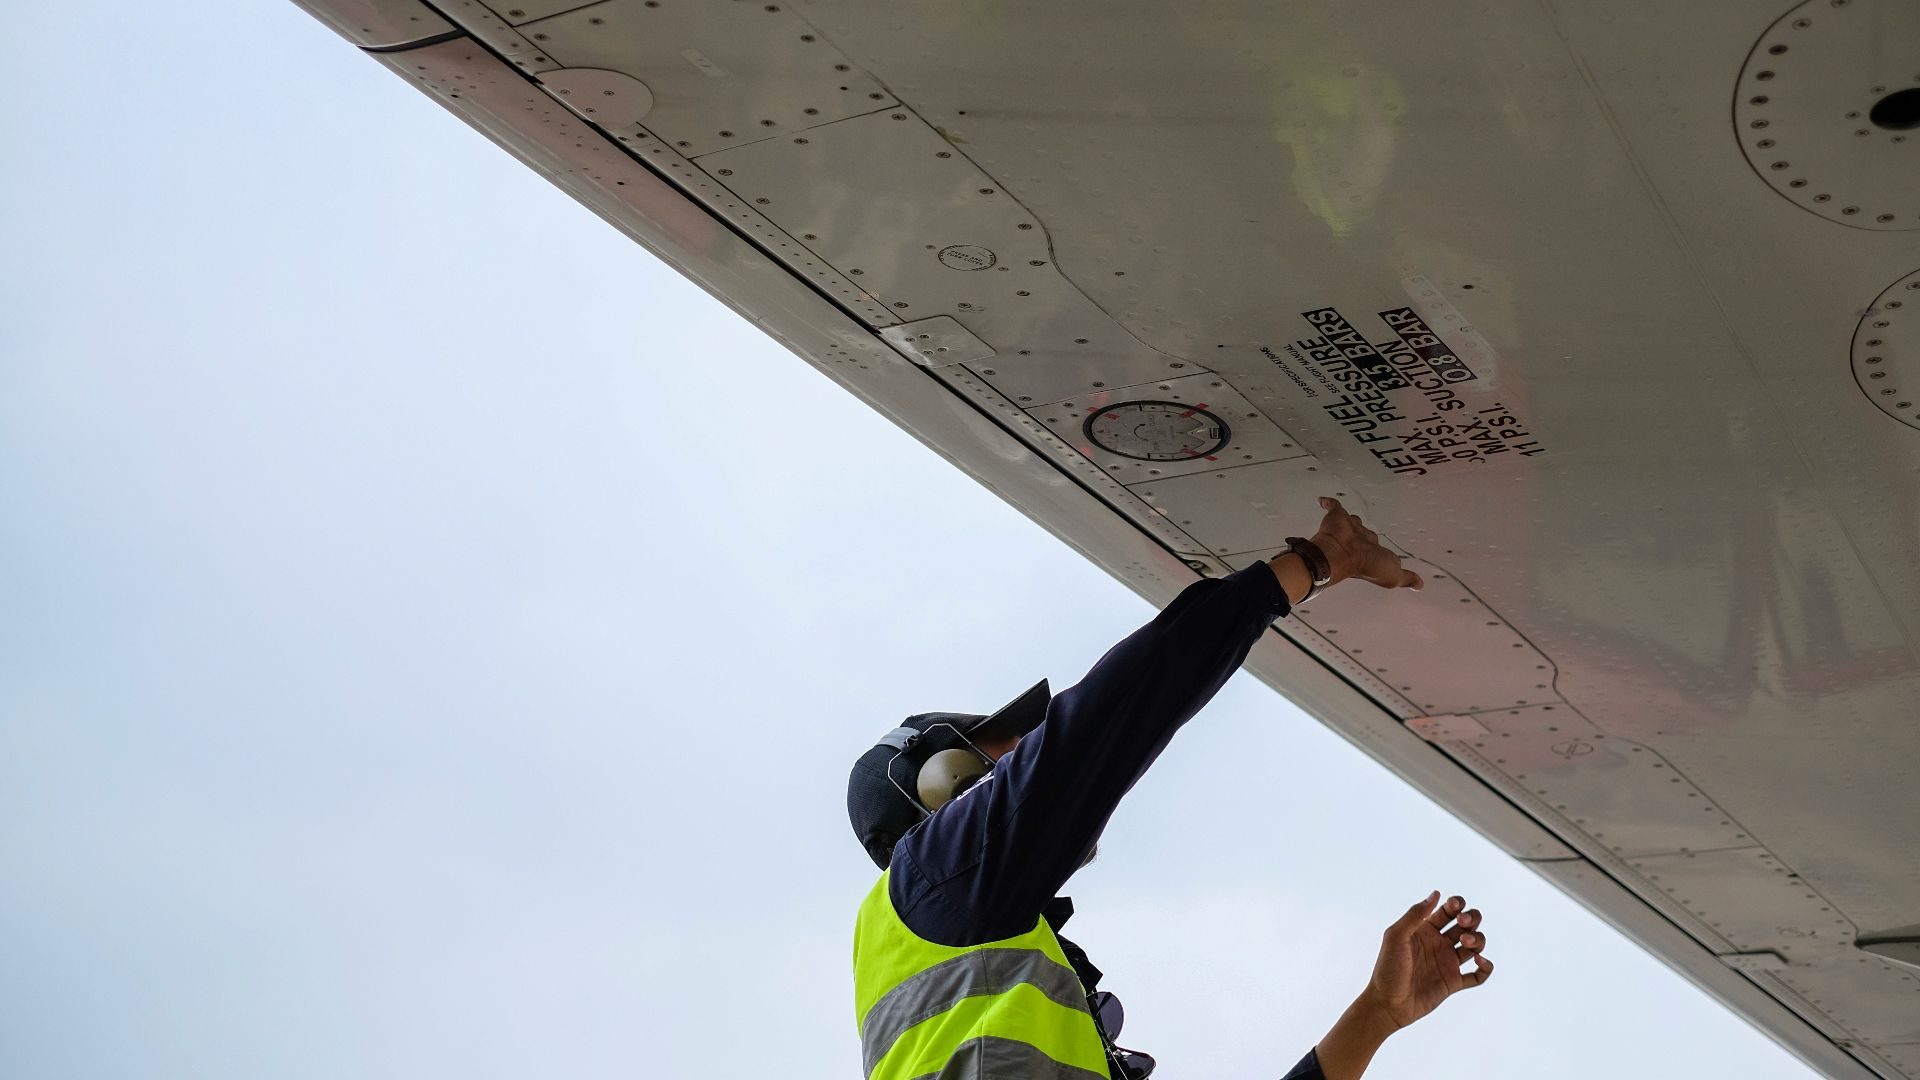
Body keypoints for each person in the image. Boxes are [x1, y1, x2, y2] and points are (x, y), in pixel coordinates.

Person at [847, 496, 1493, 1080]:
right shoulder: (932, 878)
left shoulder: (977, 969)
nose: (1024, 760)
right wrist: (1314, 564)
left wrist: (1376, 1014)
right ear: (941, 789)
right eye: (1004, 757)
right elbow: (1113, 715)